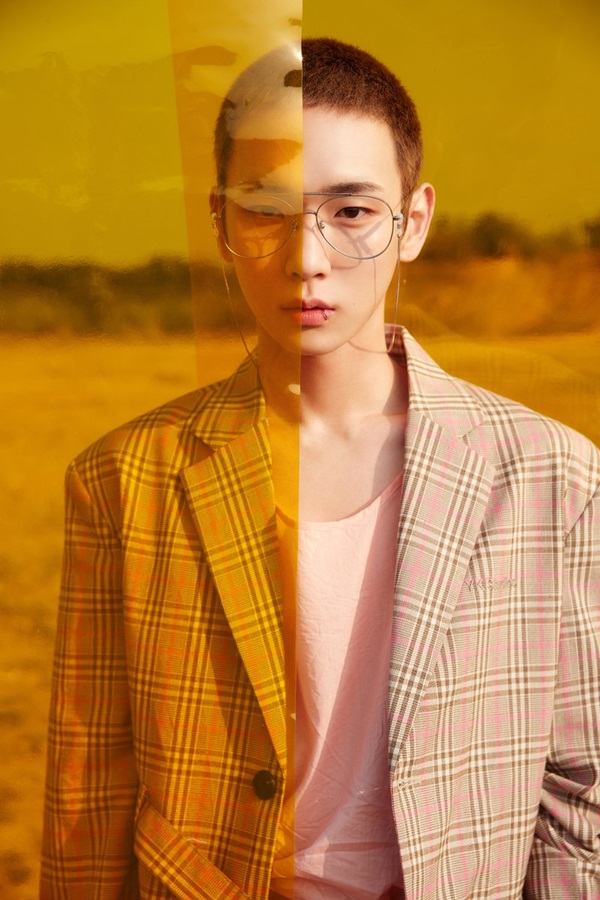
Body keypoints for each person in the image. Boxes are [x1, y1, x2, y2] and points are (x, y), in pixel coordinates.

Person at [40, 37, 600, 900]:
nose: (306, 257)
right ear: (221, 222)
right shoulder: (121, 478)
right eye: (266, 210)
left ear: (413, 222)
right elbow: (88, 794)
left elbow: (578, 794)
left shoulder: (551, 476)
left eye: (352, 210)